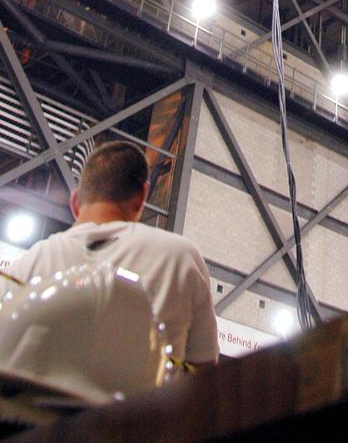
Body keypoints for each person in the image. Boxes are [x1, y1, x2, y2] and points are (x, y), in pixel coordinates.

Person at [14, 139, 218, 368]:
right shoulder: (181, 257)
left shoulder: (26, 263)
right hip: (144, 403)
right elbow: (203, 373)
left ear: (75, 201)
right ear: (142, 196)